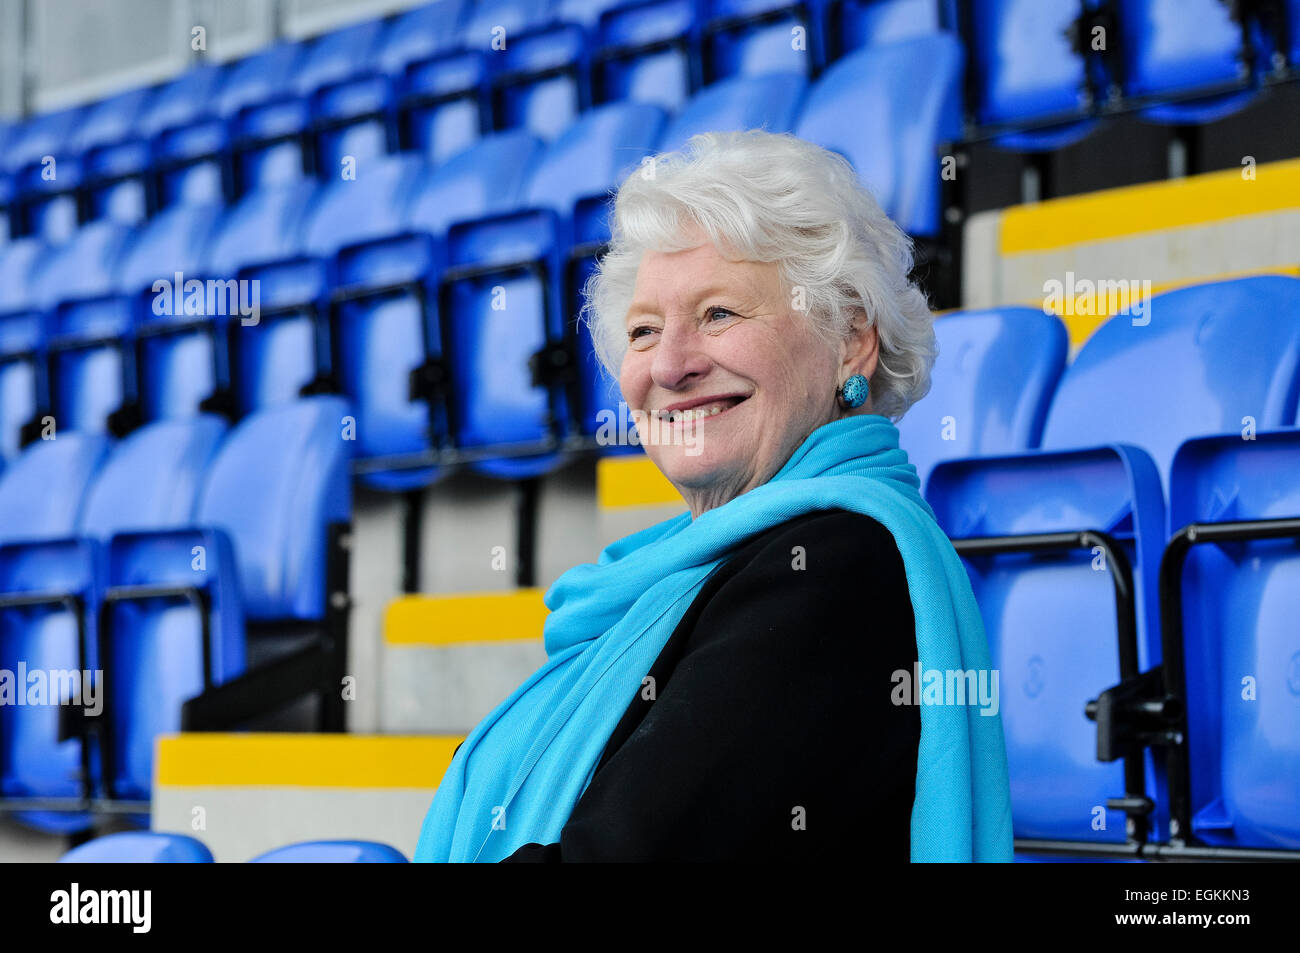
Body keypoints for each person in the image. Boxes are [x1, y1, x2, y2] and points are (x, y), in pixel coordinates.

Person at [414, 130, 1013, 862]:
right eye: (643, 330)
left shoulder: (833, 565)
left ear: (851, 339)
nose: (670, 364)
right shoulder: (683, 571)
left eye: (719, 314)